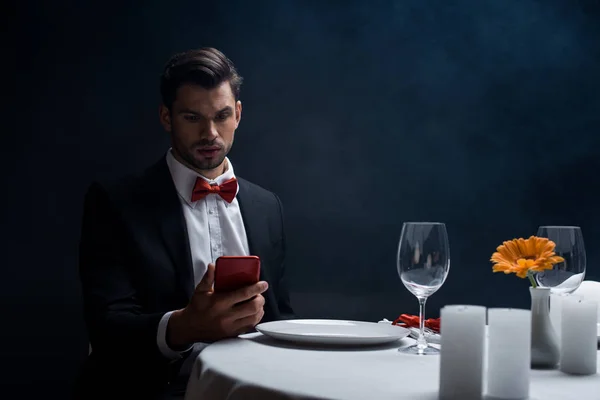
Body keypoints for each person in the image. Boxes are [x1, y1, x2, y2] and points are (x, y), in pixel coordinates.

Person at [74, 47, 294, 399]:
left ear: (237, 114)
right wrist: (183, 327)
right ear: (166, 117)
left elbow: (281, 317)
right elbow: (106, 329)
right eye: (192, 118)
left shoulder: (268, 206)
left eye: (222, 116)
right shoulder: (114, 202)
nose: (210, 133)